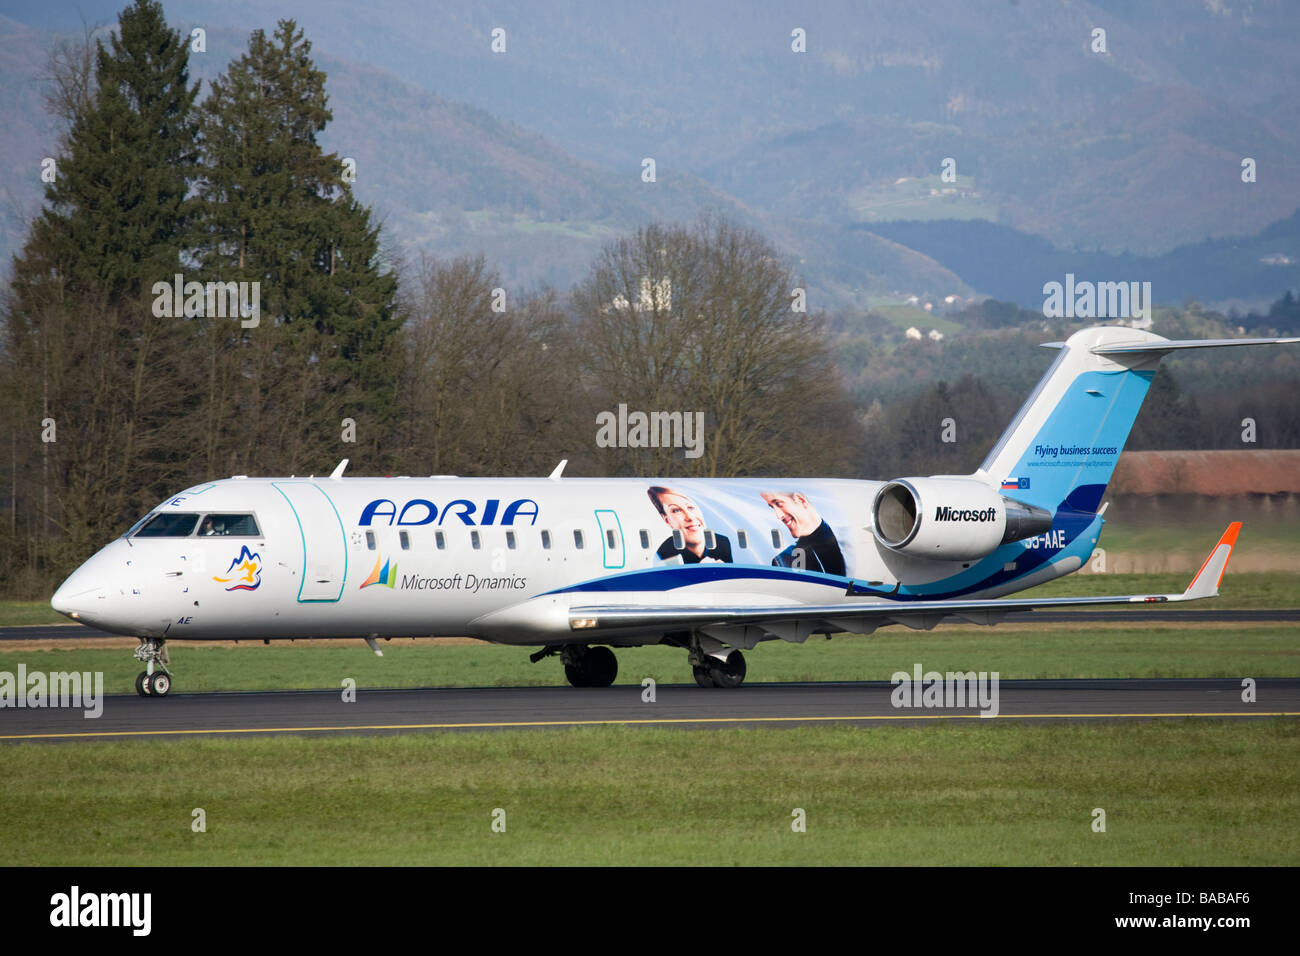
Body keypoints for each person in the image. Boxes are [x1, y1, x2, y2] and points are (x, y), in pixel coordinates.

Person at [761, 490, 846, 576]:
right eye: (772, 507)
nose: (778, 516)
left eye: (779, 504)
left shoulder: (845, 538)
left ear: (801, 500)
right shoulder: (784, 562)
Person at [647, 486, 732, 564]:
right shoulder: (666, 551)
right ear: (667, 520)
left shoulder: (722, 542)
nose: (690, 517)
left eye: (691, 507)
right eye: (676, 510)